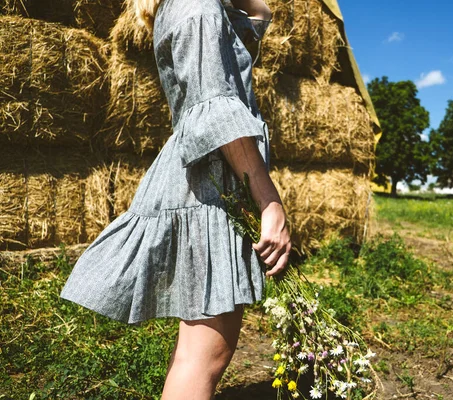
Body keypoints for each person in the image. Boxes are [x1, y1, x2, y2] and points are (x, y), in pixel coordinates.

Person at [59, 0, 291, 398]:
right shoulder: (197, 6)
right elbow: (216, 110)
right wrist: (269, 200)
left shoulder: (191, 6)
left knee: (195, 353)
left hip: (204, 184)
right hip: (210, 190)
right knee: (205, 358)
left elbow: (259, 16)